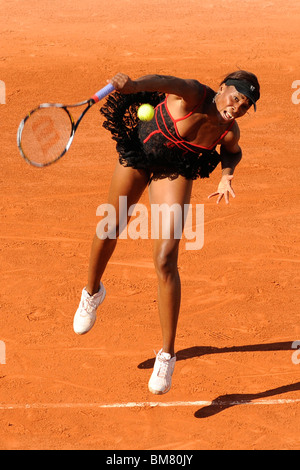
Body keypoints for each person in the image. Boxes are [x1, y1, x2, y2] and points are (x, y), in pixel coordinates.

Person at [73, 70, 260, 395]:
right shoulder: (193, 93)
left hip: (175, 170)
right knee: (110, 226)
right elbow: (161, 81)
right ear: (222, 88)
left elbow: (232, 151)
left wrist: (226, 176)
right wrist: (132, 86)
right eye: (236, 97)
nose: (238, 106)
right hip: (141, 153)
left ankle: (167, 354)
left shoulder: (228, 129)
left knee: (165, 259)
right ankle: (92, 294)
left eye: (245, 104)